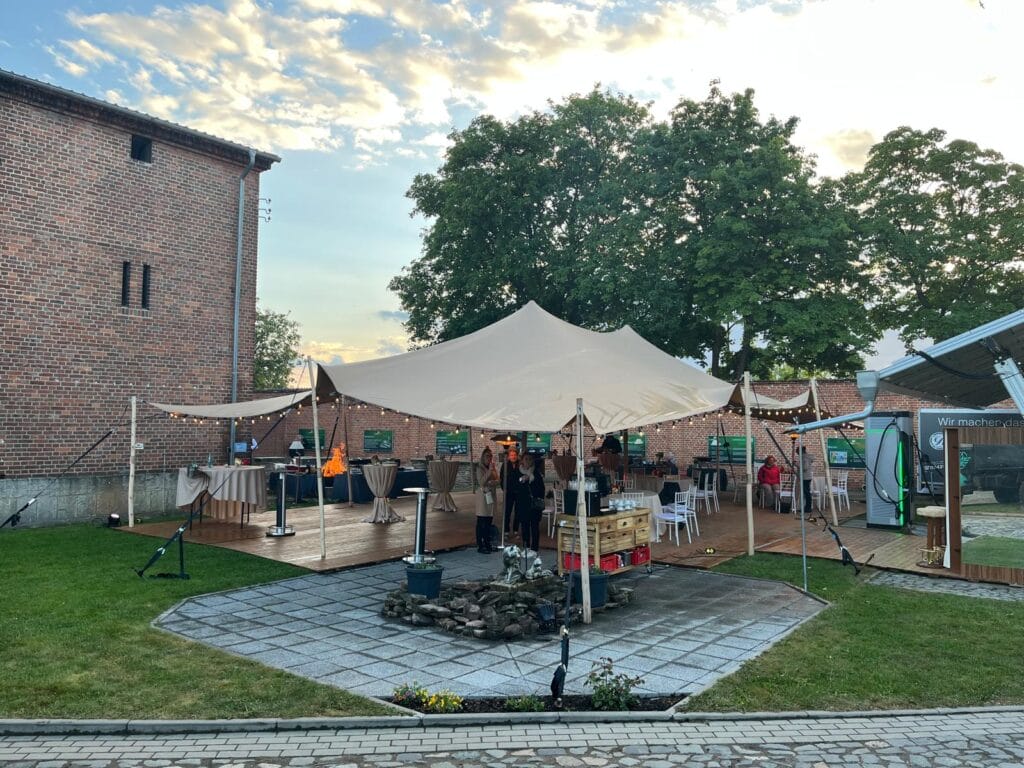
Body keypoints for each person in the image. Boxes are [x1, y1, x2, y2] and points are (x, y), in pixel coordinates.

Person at [518, 452, 545, 552]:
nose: (528, 461)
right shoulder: (518, 472)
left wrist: (532, 480)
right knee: (525, 526)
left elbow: (541, 489)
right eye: (526, 459)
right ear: (522, 461)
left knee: (534, 527)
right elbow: (514, 487)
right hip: (523, 504)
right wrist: (522, 481)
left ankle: (534, 548)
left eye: (530, 459)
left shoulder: (536, 473)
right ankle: (526, 546)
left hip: (534, 504)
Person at [475, 448, 500, 553]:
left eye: (490, 456)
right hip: (483, 498)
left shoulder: (492, 467)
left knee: (489, 521)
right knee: (482, 522)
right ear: (483, 457)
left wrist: (492, 481)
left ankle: (487, 543)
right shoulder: (479, 468)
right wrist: (489, 472)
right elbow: (481, 482)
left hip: (491, 497)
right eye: (487, 456)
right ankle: (481, 545)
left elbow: (498, 480)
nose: (489, 458)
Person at [500, 446, 522, 535]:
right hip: (508, 491)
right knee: (507, 511)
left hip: (518, 492)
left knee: (518, 511)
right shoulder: (505, 465)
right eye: (511, 455)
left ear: (517, 456)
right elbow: (502, 477)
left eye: (514, 455)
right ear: (508, 456)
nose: (513, 456)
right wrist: (504, 489)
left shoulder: (520, 465)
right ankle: (506, 530)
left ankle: (516, 529)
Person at [800, 446, 815, 516]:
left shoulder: (804, 457)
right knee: (807, 492)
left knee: (806, 493)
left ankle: (808, 507)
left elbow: (805, 467)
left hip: (805, 477)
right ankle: (807, 506)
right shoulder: (809, 457)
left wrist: (797, 464)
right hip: (808, 476)